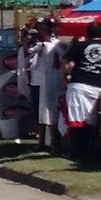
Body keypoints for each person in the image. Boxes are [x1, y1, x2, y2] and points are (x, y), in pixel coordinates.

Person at [63, 21, 101, 159]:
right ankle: (86, 151)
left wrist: (64, 77)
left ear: (87, 33)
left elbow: (64, 62)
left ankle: (75, 151)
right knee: (91, 121)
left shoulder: (78, 46)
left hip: (77, 85)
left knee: (76, 121)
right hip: (96, 87)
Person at [28, 20, 64, 148]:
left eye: (41, 29)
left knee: (53, 112)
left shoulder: (58, 45)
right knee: (42, 113)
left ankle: (55, 143)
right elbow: (29, 51)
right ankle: (42, 142)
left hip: (55, 79)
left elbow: (62, 58)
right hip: (43, 81)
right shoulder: (41, 44)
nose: (39, 32)